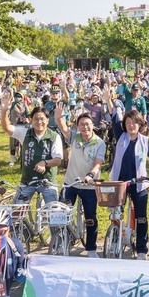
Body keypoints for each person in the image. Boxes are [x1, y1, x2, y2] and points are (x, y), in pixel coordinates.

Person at [105, 87, 149, 260]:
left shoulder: (145, 141)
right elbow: (114, 118)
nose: (131, 125)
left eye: (134, 122)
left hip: (139, 183)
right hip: (120, 182)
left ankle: (142, 249)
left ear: (140, 124)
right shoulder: (121, 136)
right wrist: (108, 100)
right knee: (116, 213)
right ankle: (115, 240)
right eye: (128, 122)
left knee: (141, 217)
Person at [55, 109, 105, 258]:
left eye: (88, 124)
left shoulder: (99, 143)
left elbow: (98, 163)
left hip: (89, 186)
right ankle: (62, 241)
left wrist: (91, 175)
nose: (85, 127)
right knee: (61, 213)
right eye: (82, 125)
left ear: (93, 125)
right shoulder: (74, 137)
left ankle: (91, 248)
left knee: (90, 217)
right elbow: (64, 129)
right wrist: (58, 118)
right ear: (78, 126)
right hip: (70, 183)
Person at [0, 94, 63, 206]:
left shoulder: (54, 136)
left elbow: (58, 159)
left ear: (48, 120)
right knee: (16, 212)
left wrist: (45, 163)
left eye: (42, 119)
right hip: (27, 181)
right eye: (36, 119)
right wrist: (4, 111)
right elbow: (7, 128)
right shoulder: (25, 133)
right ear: (31, 120)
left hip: (48, 182)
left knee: (53, 214)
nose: (39, 122)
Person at [6, 91, 29, 167]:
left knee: (23, 143)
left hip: (23, 126)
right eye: (16, 96)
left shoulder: (24, 105)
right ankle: (12, 160)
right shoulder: (12, 105)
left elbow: (29, 115)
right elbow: (7, 111)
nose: (17, 98)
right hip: (14, 126)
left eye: (19, 96)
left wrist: (27, 119)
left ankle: (22, 159)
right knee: (13, 143)